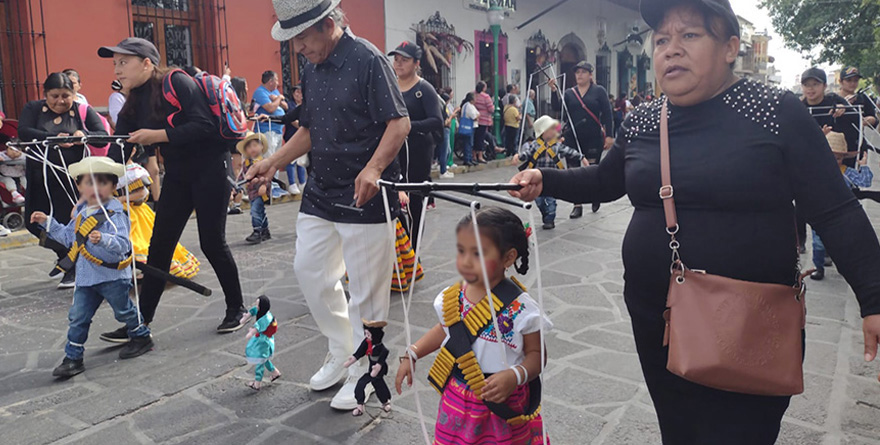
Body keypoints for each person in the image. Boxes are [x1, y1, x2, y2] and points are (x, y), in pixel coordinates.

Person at [510, 1, 880, 442]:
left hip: (751, 324)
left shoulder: (775, 111)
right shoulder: (645, 118)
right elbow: (607, 181)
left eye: (689, 36)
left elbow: (834, 209)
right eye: (662, 39)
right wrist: (544, 178)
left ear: (729, 47)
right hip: (657, 319)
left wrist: (873, 298)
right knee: (679, 430)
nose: (671, 49)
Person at [249, 1, 410, 411]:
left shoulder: (369, 59)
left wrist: (374, 168)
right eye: (292, 41)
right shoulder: (312, 65)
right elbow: (309, 128)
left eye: (303, 38)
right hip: (321, 189)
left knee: (367, 293)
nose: (298, 47)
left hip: (364, 193)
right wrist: (271, 162)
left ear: (328, 25)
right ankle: (342, 350)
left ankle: (367, 370)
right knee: (310, 271)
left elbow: (399, 122)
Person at [100, 37, 247, 333]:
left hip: (210, 169)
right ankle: (142, 320)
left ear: (146, 63)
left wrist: (156, 136)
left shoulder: (176, 82)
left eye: (124, 62)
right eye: (115, 64)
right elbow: (120, 146)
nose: (117, 70)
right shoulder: (133, 99)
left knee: (212, 242)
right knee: (160, 246)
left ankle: (237, 308)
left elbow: (204, 126)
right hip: (178, 175)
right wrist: (101, 184)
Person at [395, 207, 552, 445]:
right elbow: (443, 329)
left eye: (478, 253)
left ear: (508, 258)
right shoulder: (452, 297)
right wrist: (413, 353)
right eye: (462, 251)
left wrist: (515, 376)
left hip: (503, 400)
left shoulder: (522, 309)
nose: (466, 261)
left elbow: (537, 354)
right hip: (458, 398)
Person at [30, 157, 152, 378]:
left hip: (112, 274)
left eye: (102, 184)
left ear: (114, 187)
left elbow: (124, 245)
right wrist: (48, 222)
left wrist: (103, 239)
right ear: (79, 187)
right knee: (78, 316)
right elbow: (69, 237)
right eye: (87, 184)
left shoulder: (116, 212)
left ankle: (141, 335)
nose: (94, 189)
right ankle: (73, 357)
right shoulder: (81, 212)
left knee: (123, 310)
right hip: (86, 277)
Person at [19, 72, 110, 289]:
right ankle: (64, 255)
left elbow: (101, 133)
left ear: (74, 93)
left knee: (69, 222)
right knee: (34, 223)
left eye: (66, 96)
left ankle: (73, 264)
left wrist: (83, 134)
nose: (60, 101)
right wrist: (51, 139)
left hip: (72, 182)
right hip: (40, 178)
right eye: (55, 96)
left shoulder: (82, 111)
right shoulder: (32, 109)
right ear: (45, 94)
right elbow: (23, 131)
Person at [388, 40, 443, 250]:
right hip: (393, 149)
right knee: (392, 198)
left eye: (405, 60)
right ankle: (400, 249)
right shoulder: (390, 86)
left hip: (418, 151)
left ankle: (413, 249)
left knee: (413, 201)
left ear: (416, 63)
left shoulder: (424, 88)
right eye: (396, 59)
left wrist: (408, 126)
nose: (399, 64)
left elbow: (436, 121)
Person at [550, 61, 614, 217]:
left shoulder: (599, 91)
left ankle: (594, 195)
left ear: (590, 75)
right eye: (577, 72)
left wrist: (610, 135)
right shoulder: (569, 93)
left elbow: (607, 114)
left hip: (593, 138)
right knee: (573, 173)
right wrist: (553, 91)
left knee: (591, 171)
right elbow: (558, 109)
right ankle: (577, 204)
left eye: (583, 72)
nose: (579, 75)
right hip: (572, 137)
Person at [516, 116, 586, 230]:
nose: (556, 131)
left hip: (552, 178)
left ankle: (550, 219)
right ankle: (545, 214)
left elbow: (569, 152)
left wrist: (581, 157)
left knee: (551, 199)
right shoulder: (535, 144)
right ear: (543, 131)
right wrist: (519, 156)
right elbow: (527, 154)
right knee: (539, 200)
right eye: (552, 129)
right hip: (537, 178)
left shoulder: (556, 145)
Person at [237, 132, 272, 244]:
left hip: (261, 190)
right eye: (249, 146)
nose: (252, 149)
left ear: (261, 146)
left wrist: (264, 186)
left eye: (255, 145)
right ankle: (265, 230)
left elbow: (267, 176)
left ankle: (257, 231)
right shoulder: (246, 163)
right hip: (251, 191)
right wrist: (238, 186)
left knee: (255, 210)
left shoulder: (264, 161)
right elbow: (242, 175)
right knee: (260, 211)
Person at [242, 296, 281, 390]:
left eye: (258, 305)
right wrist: (247, 316)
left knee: (260, 361)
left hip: (263, 341)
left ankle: (257, 383)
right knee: (264, 358)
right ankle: (275, 372)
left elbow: (257, 328)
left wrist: (251, 333)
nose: (257, 307)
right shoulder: (264, 313)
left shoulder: (265, 318)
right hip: (264, 339)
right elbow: (254, 310)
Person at [839, 66, 878, 158]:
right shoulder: (833, 99)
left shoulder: (863, 98)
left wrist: (869, 120)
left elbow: (874, 119)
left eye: (855, 80)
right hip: (837, 146)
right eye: (849, 80)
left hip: (858, 144)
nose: (852, 83)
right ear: (840, 82)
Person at [279, 84, 307, 195]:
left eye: (300, 92)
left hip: (303, 137)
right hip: (292, 136)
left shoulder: (305, 106)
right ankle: (292, 183)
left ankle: (302, 182)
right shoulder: (289, 105)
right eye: (296, 92)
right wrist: (303, 126)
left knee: (302, 161)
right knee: (291, 160)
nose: (298, 94)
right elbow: (291, 120)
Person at [228, 76, 250, 215]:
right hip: (236, 138)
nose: (247, 88)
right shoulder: (238, 103)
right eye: (245, 85)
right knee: (236, 169)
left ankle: (234, 200)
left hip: (230, 138)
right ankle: (233, 197)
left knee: (234, 168)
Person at [253, 70, 288, 153]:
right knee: (269, 159)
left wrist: (276, 99)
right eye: (276, 80)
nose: (278, 83)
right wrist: (279, 98)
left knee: (276, 159)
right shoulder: (260, 92)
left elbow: (286, 106)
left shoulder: (275, 91)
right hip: (267, 131)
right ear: (271, 81)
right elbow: (270, 108)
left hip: (278, 131)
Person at [473, 81, 494, 164]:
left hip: (475, 119)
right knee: (481, 138)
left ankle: (474, 155)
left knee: (475, 138)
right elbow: (491, 109)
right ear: (483, 88)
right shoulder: (486, 97)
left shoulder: (473, 94)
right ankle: (480, 156)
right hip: (484, 120)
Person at [438, 90, 456, 179]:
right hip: (445, 129)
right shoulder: (443, 108)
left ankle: (444, 167)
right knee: (444, 150)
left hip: (446, 130)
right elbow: (446, 121)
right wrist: (453, 115)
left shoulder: (444, 107)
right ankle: (442, 170)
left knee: (447, 150)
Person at [458, 92, 480, 166]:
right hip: (469, 127)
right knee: (468, 143)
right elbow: (475, 116)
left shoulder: (466, 105)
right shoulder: (469, 106)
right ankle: (467, 159)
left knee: (469, 143)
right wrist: (477, 116)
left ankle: (469, 158)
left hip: (470, 127)